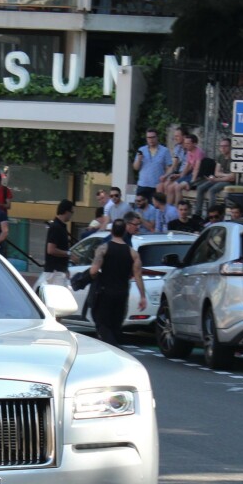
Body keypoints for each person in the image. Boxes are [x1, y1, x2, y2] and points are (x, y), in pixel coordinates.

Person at [89, 219, 146, 347]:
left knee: (103, 324)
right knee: (116, 325)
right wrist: (143, 296)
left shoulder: (103, 248)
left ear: (112, 231)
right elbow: (138, 275)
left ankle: (114, 348)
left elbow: (93, 271)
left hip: (105, 292)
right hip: (122, 293)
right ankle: (114, 348)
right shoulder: (133, 253)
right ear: (124, 231)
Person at [194, 138, 235, 214]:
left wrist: (219, 178)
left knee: (212, 190)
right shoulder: (220, 157)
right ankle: (197, 213)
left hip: (228, 182)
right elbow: (216, 173)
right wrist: (225, 175)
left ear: (230, 147)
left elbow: (232, 178)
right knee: (200, 188)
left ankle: (211, 213)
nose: (222, 148)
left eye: (225, 146)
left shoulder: (234, 158)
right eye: (221, 146)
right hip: (220, 179)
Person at [164, 132, 203, 207]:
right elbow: (188, 166)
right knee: (170, 187)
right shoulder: (189, 151)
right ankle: (168, 209)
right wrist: (181, 176)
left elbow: (197, 169)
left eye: (188, 143)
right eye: (185, 143)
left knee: (178, 187)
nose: (185, 145)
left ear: (194, 144)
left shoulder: (198, 152)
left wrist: (192, 183)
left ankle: (177, 209)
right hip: (190, 174)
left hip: (198, 176)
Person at [132, 129, 171, 202]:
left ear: (157, 137)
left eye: (153, 137)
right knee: (140, 209)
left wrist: (165, 177)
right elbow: (136, 167)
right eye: (149, 137)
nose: (151, 140)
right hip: (143, 185)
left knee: (156, 209)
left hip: (156, 186)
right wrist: (139, 159)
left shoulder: (164, 150)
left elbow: (169, 167)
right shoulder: (141, 150)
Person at [42, 200, 74, 285]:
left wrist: (65, 269)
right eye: (72, 212)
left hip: (58, 271)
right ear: (66, 212)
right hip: (54, 273)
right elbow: (51, 250)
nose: (72, 215)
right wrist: (68, 254)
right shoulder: (56, 227)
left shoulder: (60, 226)